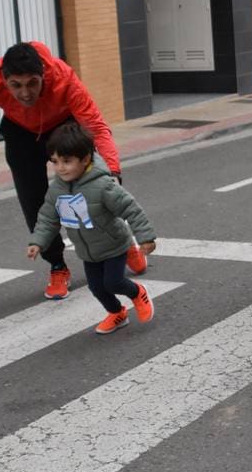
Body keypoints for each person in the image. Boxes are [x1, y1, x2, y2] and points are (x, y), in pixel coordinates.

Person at [0, 42, 138, 300]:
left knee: (92, 194)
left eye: (32, 83)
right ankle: (57, 266)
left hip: (61, 127)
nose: (25, 93)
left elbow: (95, 125)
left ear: (43, 76)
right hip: (20, 133)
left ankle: (122, 242)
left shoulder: (63, 76)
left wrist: (111, 171)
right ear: (4, 79)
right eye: (16, 85)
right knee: (35, 203)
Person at [26, 124, 156, 335]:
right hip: (88, 251)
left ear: (85, 159)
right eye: (55, 162)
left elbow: (130, 209)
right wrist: (37, 242)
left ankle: (137, 292)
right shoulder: (57, 189)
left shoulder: (103, 185)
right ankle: (117, 313)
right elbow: (48, 217)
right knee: (96, 287)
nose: (60, 168)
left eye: (67, 161)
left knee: (113, 282)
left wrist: (146, 237)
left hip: (113, 243)